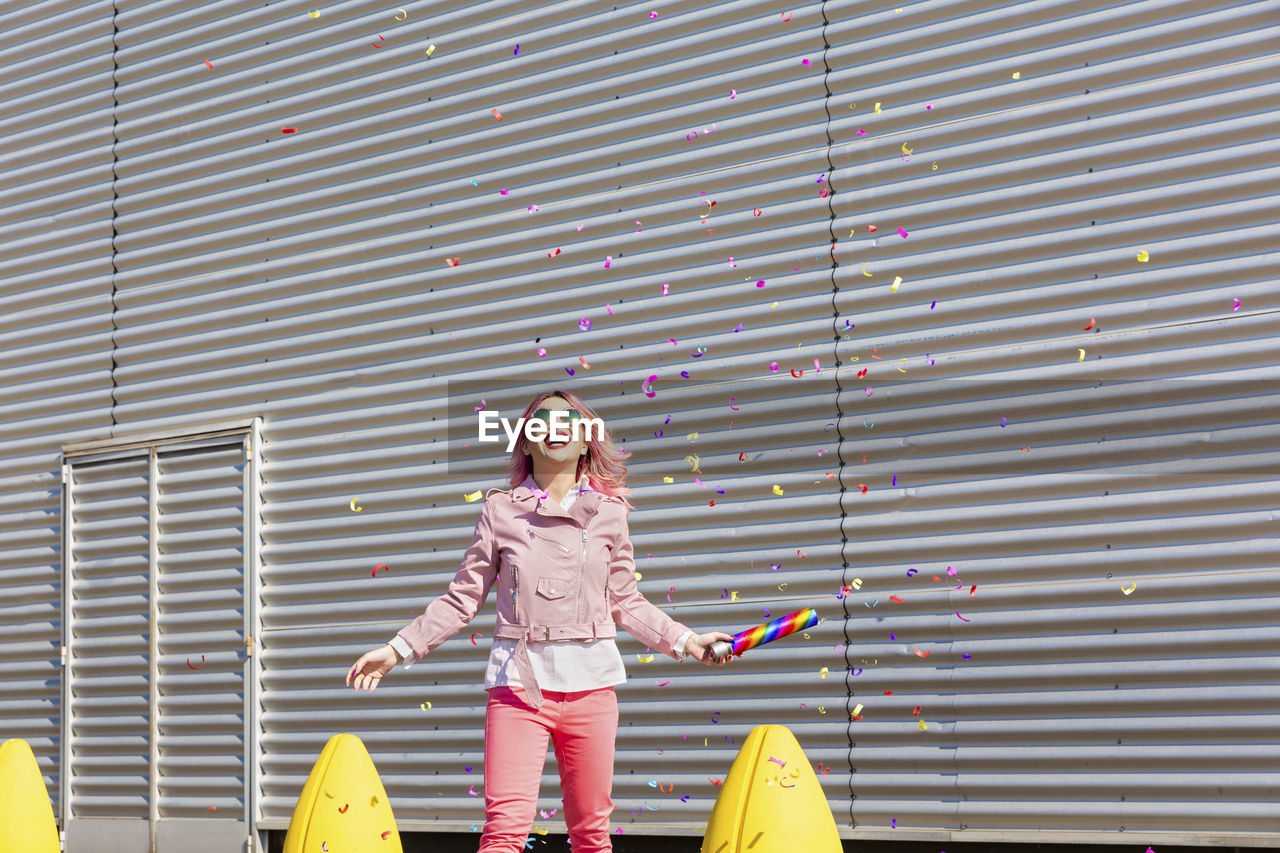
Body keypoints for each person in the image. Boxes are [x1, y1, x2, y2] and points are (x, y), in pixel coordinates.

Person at [346, 389, 736, 853]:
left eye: (568, 420)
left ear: (587, 439)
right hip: (518, 688)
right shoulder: (499, 510)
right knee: (504, 834)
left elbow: (626, 601)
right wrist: (397, 649)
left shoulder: (610, 513)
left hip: (592, 687)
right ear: (526, 443)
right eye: (539, 422)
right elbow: (462, 599)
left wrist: (686, 640)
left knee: (592, 836)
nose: (554, 427)